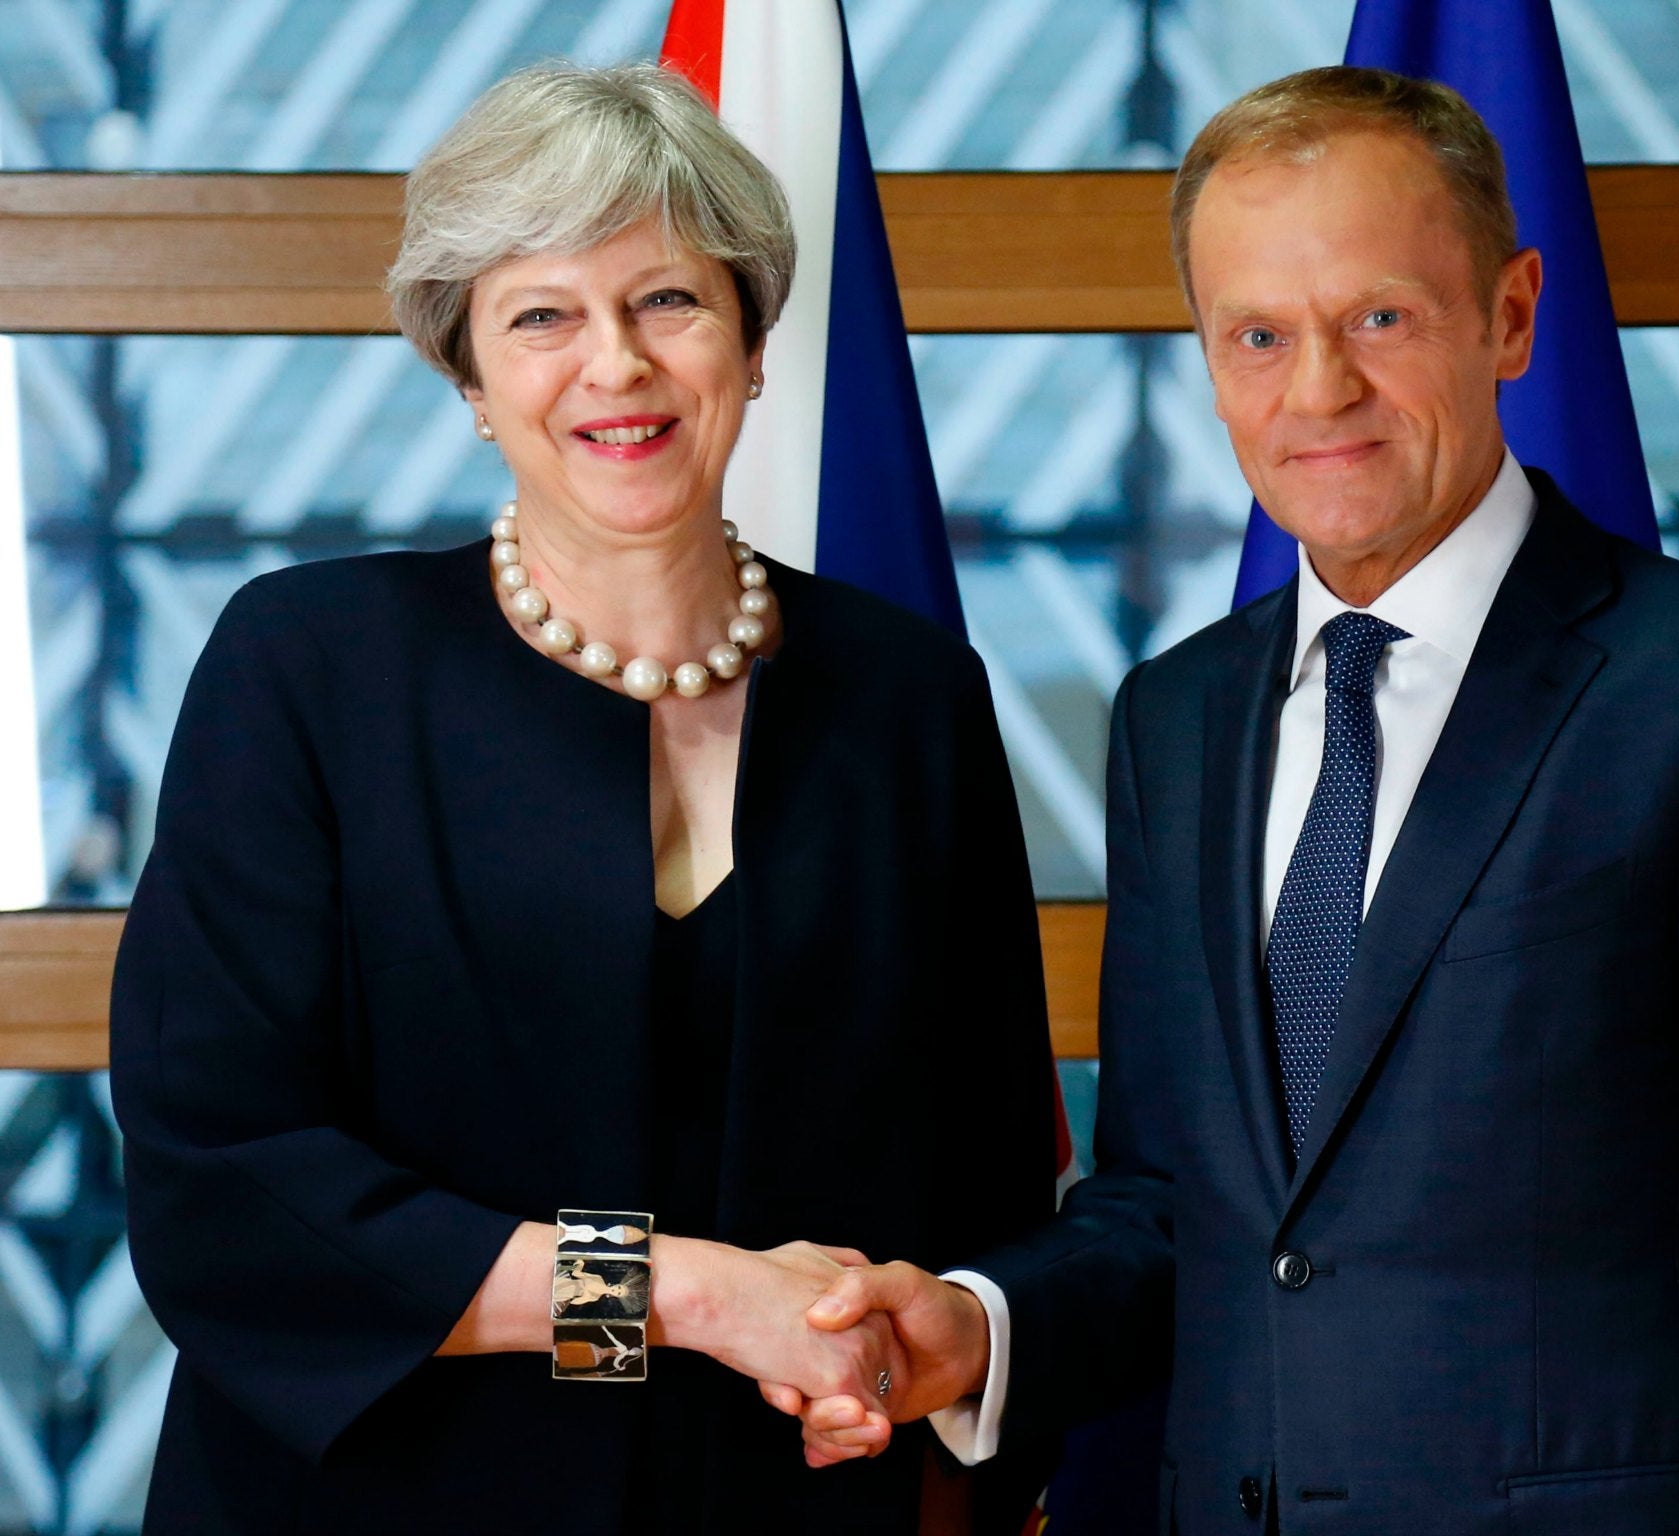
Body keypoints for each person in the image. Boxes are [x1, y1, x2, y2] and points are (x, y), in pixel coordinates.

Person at [780, 66, 1679, 1535]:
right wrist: (978, 1327)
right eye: (1258, 335)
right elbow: (1175, 1206)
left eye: (1380, 319)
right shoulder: (1179, 717)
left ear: (1514, 316)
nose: (1316, 391)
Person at [109, 62, 1050, 1535]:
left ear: (748, 337)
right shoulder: (308, 668)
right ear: (471, 380)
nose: (614, 363)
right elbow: (228, 1195)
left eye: (668, 300)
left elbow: (991, 1180)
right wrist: (684, 1293)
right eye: (542, 316)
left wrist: (897, 1332)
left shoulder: (912, 699)